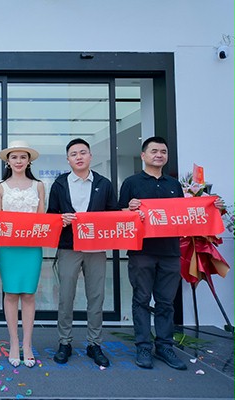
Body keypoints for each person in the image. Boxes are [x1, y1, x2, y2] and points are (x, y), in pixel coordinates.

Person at [118, 136, 198, 370]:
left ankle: (164, 346)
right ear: (143, 155)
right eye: (154, 151)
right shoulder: (131, 182)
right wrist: (129, 209)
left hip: (170, 252)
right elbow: (119, 214)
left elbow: (182, 216)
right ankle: (143, 346)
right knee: (141, 299)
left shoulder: (174, 185)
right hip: (141, 251)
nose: (159, 155)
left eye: (163, 151)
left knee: (166, 302)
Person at [47, 138, 118, 368]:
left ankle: (94, 344)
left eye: (83, 152)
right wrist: (61, 219)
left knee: (96, 296)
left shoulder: (104, 184)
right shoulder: (59, 184)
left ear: (90, 156)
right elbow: (50, 215)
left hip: (95, 247)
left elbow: (114, 213)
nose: (79, 157)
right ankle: (64, 342)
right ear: (68, 159)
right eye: (74, 154)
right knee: (66, 296)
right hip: (69, 246)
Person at [0, 140, 45, 368]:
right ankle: (14, 343)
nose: (19, 161)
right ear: (8, 161)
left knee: (29, 295)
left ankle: (27, 344)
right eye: (14, 157)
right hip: (9, 247)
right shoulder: (0, 187)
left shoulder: (39, 186)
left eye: (23, 157)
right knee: (11, 294)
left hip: (32, 246)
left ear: (29, 161)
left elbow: (42, 218)